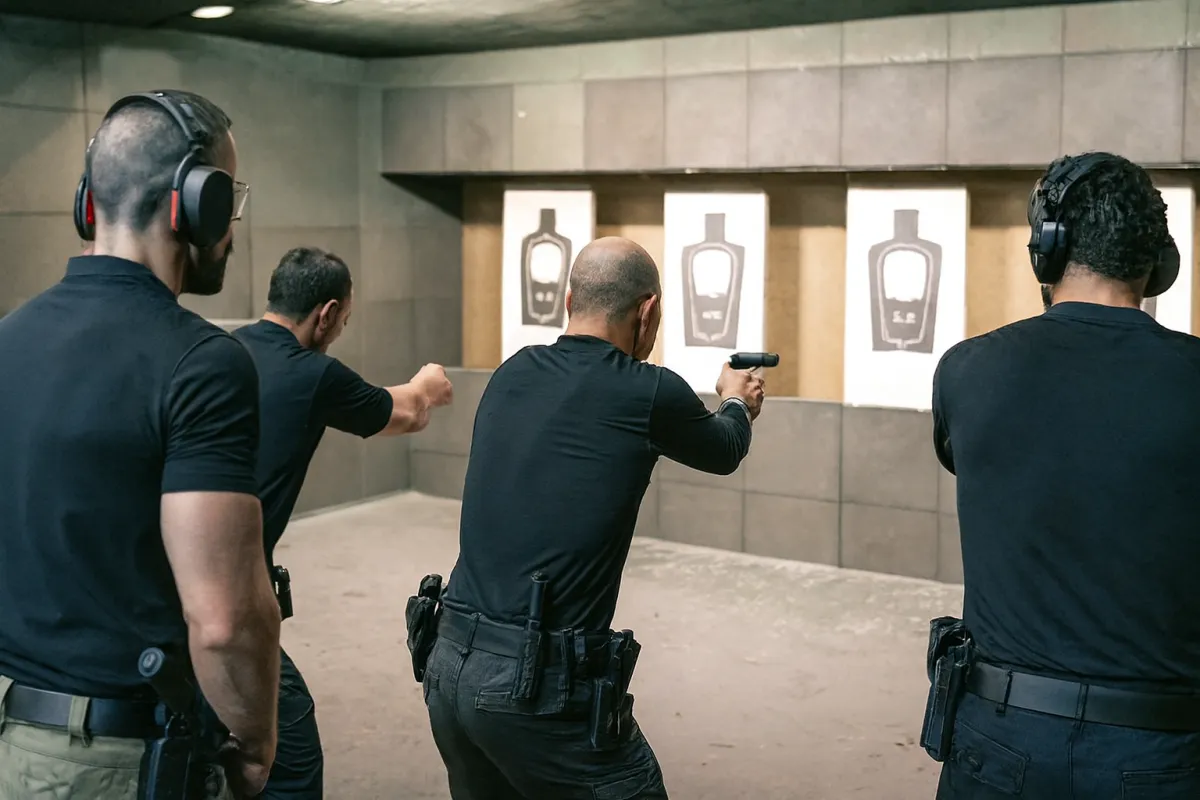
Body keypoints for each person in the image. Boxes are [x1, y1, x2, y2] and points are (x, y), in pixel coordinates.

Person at [0, 90, 280, 797]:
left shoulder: (8, 338)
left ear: (87, 203)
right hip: (108, 759)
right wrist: (253, 742)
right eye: (230, 199)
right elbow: (223, 619)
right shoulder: (202, 364)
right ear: (199, 203)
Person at [416, 236, 765, 799]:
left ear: (569, 300)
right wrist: (735, 400)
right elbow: (724, 448)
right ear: (647, 312)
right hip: (531, 685)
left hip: (447, 663)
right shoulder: (648, 391)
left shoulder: (511, 373)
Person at [926, 151, 1200, 798]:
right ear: (1159, 262)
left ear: (1045, 250)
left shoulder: (966, 371)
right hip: (1158, 749)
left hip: (998, 738)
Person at [233, 245, 454, 800]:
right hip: (228, 599)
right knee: (292, 756)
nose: (339, 331)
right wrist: (428, 382)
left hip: (164, 579)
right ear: (327, 313)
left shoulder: (222, 351)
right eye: (345, 321)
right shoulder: (313, 373)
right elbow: (406, 411)